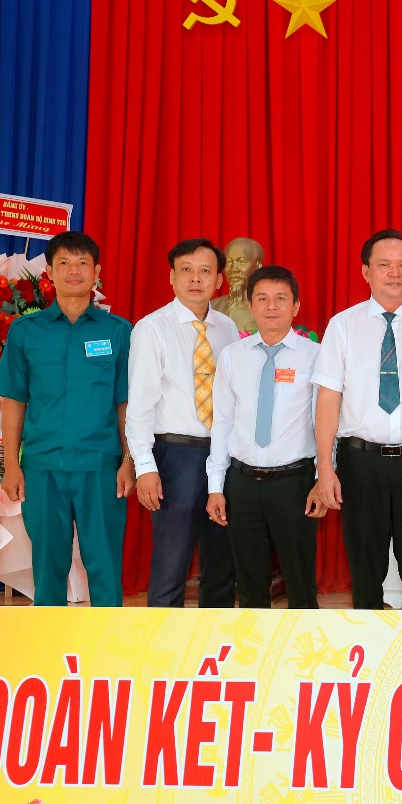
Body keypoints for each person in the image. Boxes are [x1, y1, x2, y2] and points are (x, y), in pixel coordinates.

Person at [309, 228, 402, 610]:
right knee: (365, 571)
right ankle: (370, 644)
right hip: (360, 463)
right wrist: (325, 468)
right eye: (384, 265)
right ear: (366, 272)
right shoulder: (342, 326)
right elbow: (328, 400)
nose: (395, 273)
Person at [0, 230, 135, 606]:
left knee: (104, 566)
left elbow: (126, 405)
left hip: (101, 469)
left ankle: (109, 639)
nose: (74, 271)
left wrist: (129, 460)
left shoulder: (119, 332)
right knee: (48, 567)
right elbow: (14, 401)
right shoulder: (25, 332)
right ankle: (48, 638)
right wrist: (12, 466)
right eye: (64, 263)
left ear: (96, 272)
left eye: (83, 263)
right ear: (50, 273)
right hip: (42, 469)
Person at [126, 238, 239, 608]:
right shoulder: (152, 328)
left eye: (205, 271)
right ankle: (163, 636)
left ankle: (213, 633)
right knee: (172, 561)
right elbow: (140, 405)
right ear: (171, 277)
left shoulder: (227, 328)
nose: (195, 278)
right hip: (175, 455)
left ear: (218, 280)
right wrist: (145, 466)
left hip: (223, 454)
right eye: (186, 270)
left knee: (220, 558)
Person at [206, 266, 320, 608]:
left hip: (295, 483)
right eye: (263, 299)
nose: (271, 307)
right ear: (251, 305)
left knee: (300, 583)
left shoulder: (316, 355)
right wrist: (215, 486)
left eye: (281, 299)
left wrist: (321, 479)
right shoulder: (233, 356)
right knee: (250, 584)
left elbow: (326, 424)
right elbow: (222, 422)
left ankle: (303, 641)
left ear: (296, 306)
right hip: (242, 483)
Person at [211, 237, 264, 332]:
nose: (234, 269)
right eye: (229, 262)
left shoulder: (267, 308)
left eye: (241, 262)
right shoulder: (212, 306)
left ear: (257, 267)